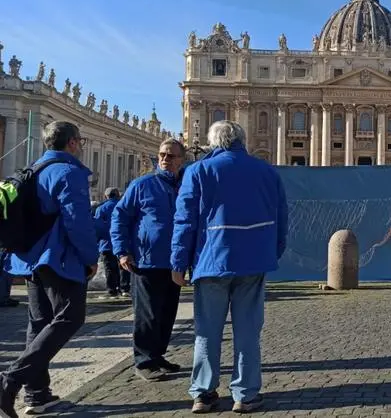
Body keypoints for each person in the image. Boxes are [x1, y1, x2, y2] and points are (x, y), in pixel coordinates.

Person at [171, 121, 287, 414]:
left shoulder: (197, 172)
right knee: (248, 331)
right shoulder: (266, 171)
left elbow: (184, 221)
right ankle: (245, 394)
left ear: (212, 143)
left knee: (207, 331)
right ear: (242, 141)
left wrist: (178, 262)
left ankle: (203, 393)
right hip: (253, 260)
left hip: (211, 261)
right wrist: (271, 251)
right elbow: (281, 217)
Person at [0, 121, 98, 418]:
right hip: (57, 258)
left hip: (29, 258)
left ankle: (37, 394)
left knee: (39, 324)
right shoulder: (69, 172)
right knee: (70, 317)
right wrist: (90, 257)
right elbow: (77, 222)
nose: (80, 146)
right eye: (79, 141)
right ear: (71, 143)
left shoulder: (32, 170)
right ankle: (11, 379)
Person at [111, 139, 186, 382]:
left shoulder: (184, 187)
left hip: (174, 261)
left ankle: (157, 355)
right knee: (148, 314)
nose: (165, 159)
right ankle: (143, 360)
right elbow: (120, 217)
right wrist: (122, 250)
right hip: (146, 260)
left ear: (181, 160)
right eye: (162, 155)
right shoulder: (142, 185)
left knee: (167, 312)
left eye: (171, 156)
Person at [93, 187, 130, 299]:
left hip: (107, 243)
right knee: (124, 266)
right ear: (118, 195)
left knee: (110, 268)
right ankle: (124, 288)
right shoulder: (124, 206)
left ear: (106, 196)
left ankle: (112, 290)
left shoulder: (101, 208)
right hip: (123, 241)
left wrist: (97, 240)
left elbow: (98, 227)